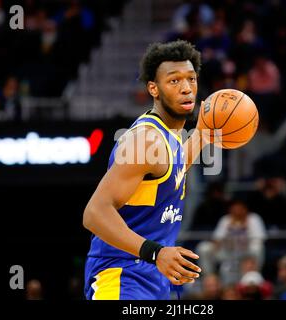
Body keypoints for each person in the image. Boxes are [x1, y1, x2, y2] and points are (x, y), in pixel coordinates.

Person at [83, 40, 213, 300]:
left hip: (153, 279)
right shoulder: (146, 140)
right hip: (121, 276)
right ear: (154, 88)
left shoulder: (171, 136)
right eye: (174, 81)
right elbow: (94, 213)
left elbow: (171, 170)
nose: (186, 88)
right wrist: (156, 253)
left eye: (191, 79)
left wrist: (203, 133)